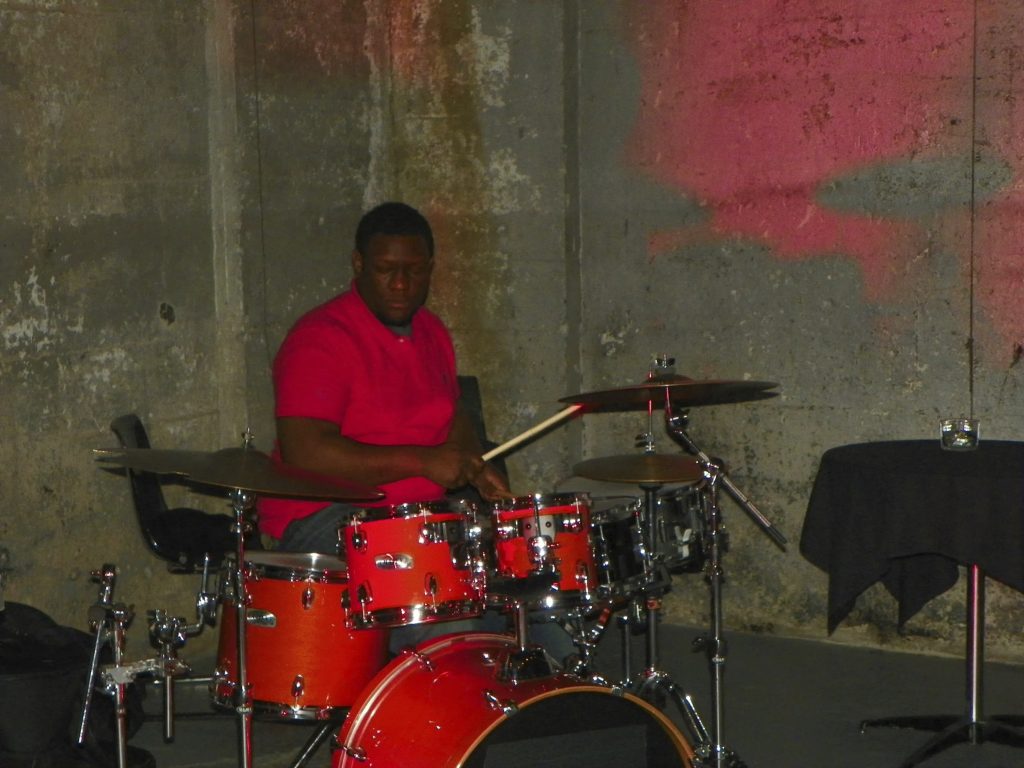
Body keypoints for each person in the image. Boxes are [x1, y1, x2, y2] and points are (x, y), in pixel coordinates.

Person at [258, 202, 579, 658]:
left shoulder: (431, 331)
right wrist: (424, 461)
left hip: (419, 519)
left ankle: (541, 678)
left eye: (414, 271)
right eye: (386, 270)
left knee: (533, 584)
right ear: (358, 265)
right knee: (445, 609)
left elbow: (452, 413)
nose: (401, 284)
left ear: (430, 268)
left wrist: (472, 464)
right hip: (327, 518)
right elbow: (305, 452)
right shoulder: (321, 339)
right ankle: (448, 683)